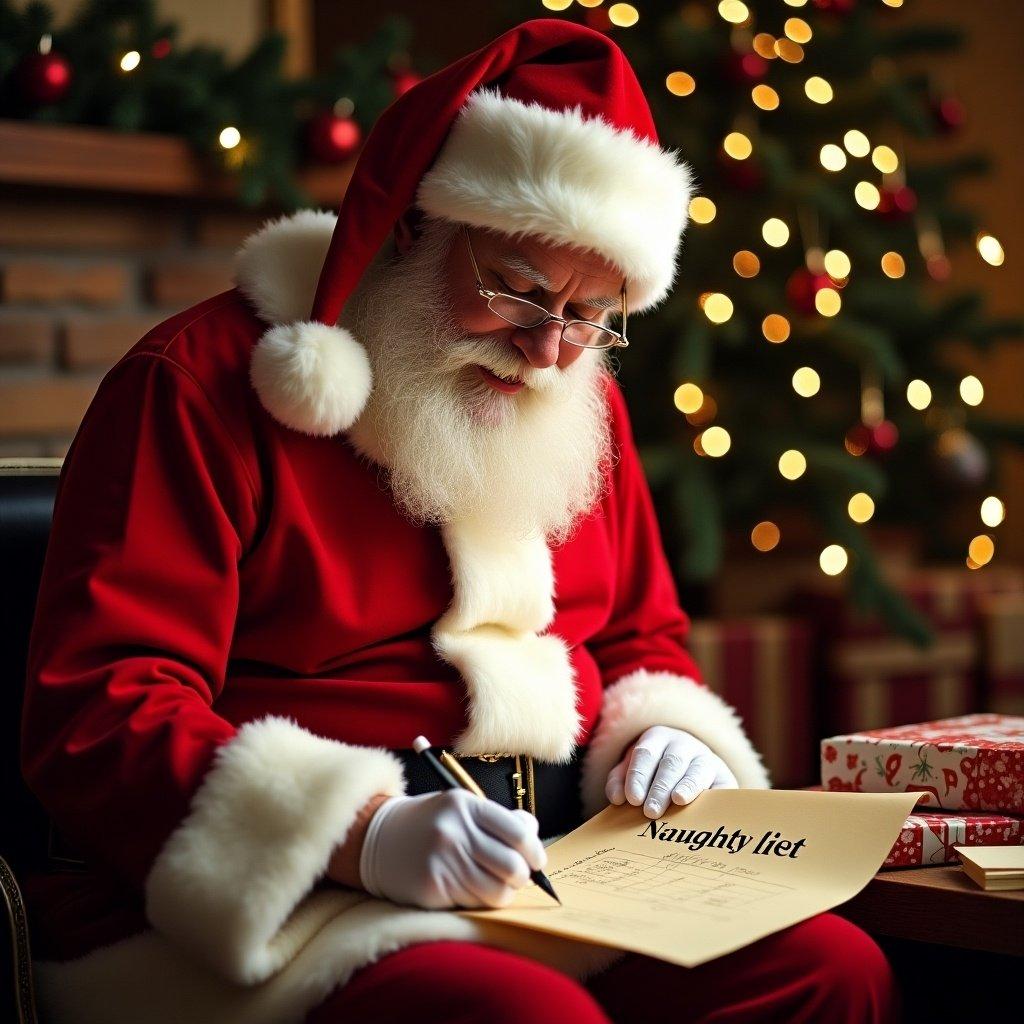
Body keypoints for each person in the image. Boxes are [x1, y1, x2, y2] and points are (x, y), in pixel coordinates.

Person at [19, 17, 898, 1024]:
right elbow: (102, 709)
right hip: (286, 907)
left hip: (556, 867)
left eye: (592, 312)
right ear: (408, 226)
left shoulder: (583, 399)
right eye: (517, 290)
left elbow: (635, 635)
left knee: (828, 969)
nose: (549, 352)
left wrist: (662, 732)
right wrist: (358, 831)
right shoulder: (197, 384)